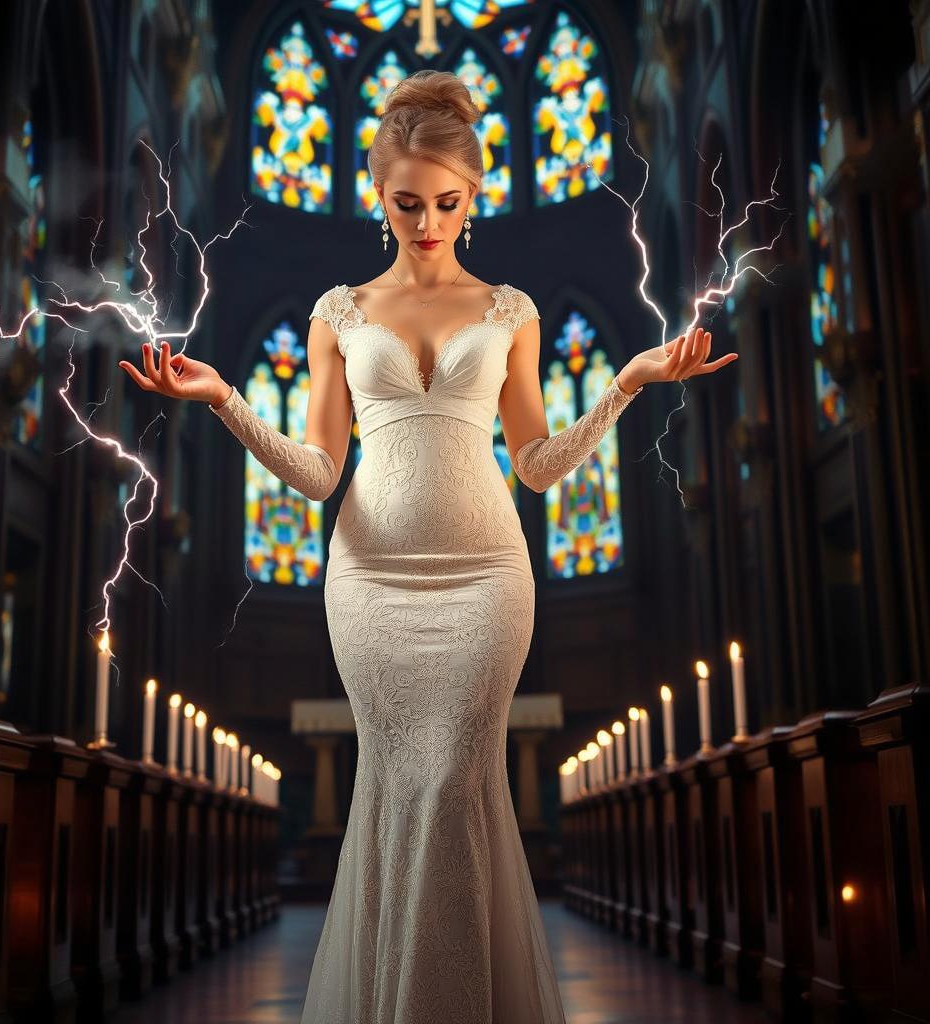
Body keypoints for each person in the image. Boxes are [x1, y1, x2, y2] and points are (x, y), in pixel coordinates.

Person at [120, 68, 736, 1024]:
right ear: (378, 193)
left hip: (489, 579)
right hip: (368, 584)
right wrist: (223, 400)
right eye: (408, 202)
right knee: (399, 790)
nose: (428, 221)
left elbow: (534, 464)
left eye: (447, 202)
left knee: (454, 782)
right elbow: (321, 473)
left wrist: (626, 383)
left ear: (474, 196)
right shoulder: (336, 313)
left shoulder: (513, 311)